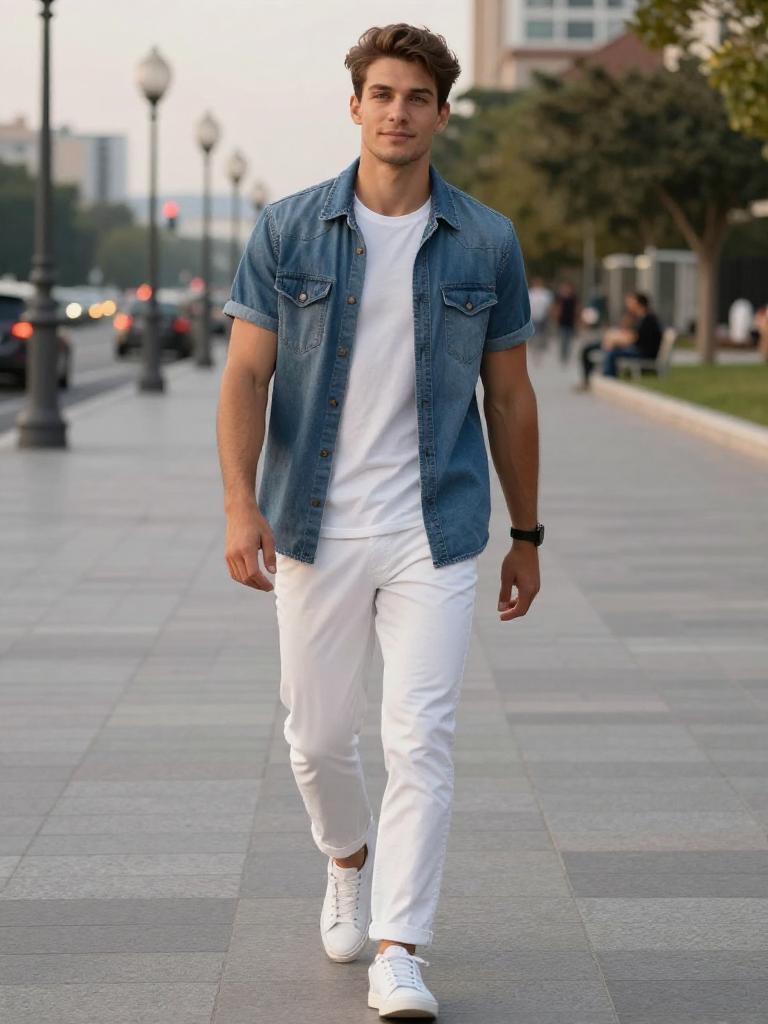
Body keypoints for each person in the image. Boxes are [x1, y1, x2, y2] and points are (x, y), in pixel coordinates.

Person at [216, 22, 543, 1021]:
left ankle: (402, 945)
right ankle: (347, 859)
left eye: (417, 97)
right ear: (355, 104)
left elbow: (512, 398)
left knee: (422, 734)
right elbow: (244, 372)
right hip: (313, 524)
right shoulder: (289, 228)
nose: (399, 112)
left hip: (434, 527)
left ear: (443, 113)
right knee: (316, 739)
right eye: (383, 93)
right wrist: (240, 503)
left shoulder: (485, 239)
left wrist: (526, 534)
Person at [574, 292, 662, 390]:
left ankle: (609, 382)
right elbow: (627, 332)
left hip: (643, 352)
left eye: (630, 302)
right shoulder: (637, 317)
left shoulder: (648, 318)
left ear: (638, 303)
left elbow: (635, 339)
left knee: (612, 353)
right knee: (588, 348)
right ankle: (588, 381)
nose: (628, 304)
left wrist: (615, 341)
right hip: (634, 348)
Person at [552, 281, 580, 366]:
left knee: (569, 340)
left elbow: (577, 309)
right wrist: (556, 319)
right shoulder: (560, 298)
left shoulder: (574, 297)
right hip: (562, 322)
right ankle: (563, 356)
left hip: (571, 322)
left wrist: (578, 321)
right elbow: (556, 309)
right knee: (563, 340)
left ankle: (567, 355)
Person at [528, 276, 554, 358]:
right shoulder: (530, 292)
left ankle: (540, 349)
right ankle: (533, 348)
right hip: (532, 317)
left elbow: (549, 306)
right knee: (533, 334)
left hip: (543, 317)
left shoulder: (546, 293)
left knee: (542, 334)